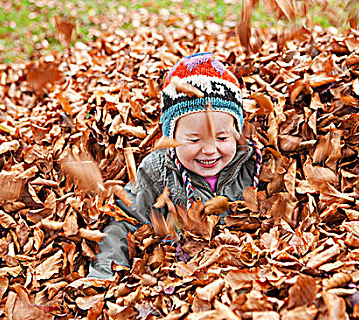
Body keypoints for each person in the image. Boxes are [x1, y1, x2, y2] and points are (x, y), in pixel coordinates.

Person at [88, 52, 262, 279]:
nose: (209, 150)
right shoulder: (158, 171)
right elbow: (123, 222)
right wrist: (104, 273)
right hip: (181, 274)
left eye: (222, 138)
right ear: (171, 136)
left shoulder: (251, 163)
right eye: (194, 140)